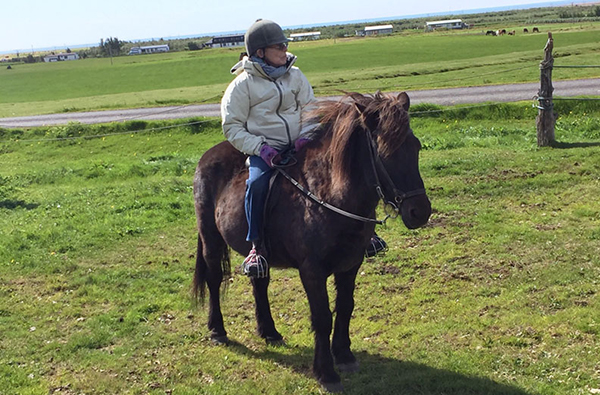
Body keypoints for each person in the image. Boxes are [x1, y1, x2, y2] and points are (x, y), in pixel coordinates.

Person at [221, 19, 387, 279]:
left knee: (343, 172)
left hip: (300, 144)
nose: (284, 50)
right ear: (260, 52)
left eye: (285, 45)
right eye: (278, 46)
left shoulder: (295, 75)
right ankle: (256, 247)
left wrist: (305, 137)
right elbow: (232, 127)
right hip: (265, 151)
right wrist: (261, 149)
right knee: (257, 184)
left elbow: (310, 110)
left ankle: (367, 233)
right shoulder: (241, 87)